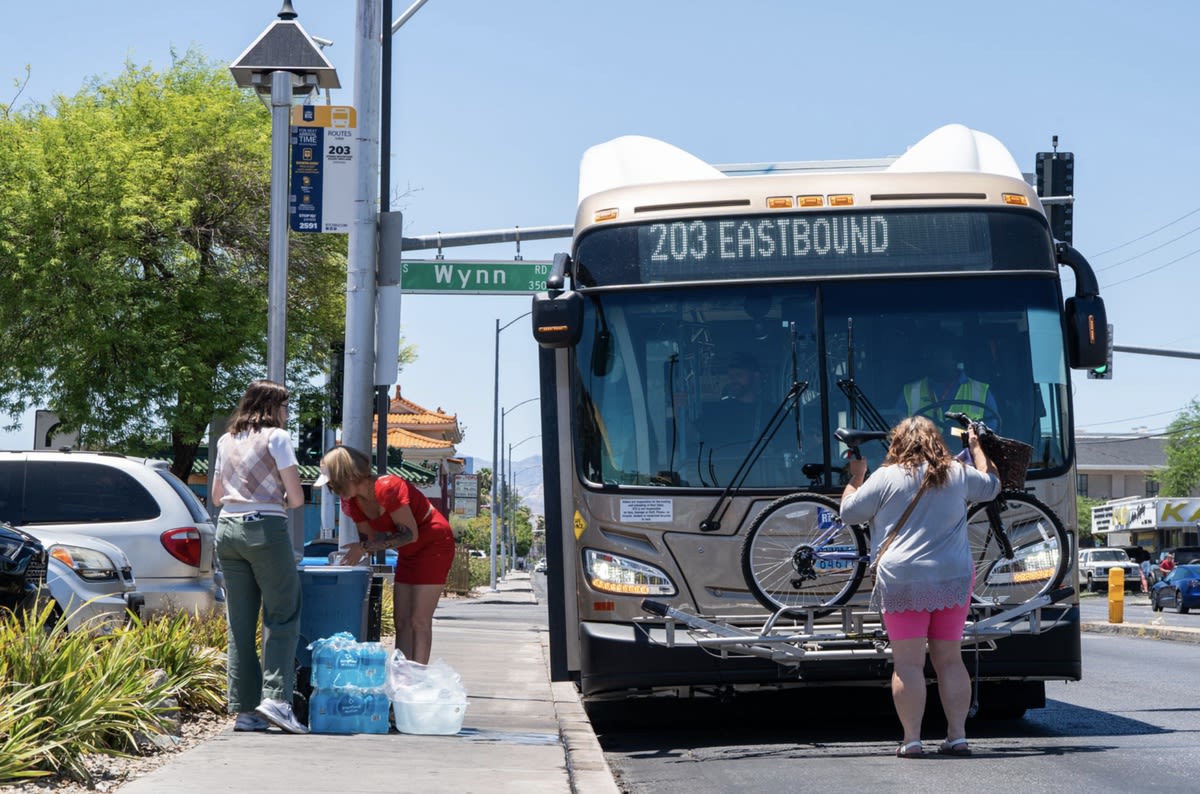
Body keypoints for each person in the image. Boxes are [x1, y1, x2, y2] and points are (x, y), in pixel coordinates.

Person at [839, 415, 1000, 759]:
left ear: (897, 442)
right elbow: (992, 484)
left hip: (903, 579)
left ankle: (912, 739)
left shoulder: (885, 477)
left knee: (908, 664)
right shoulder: (956, 473)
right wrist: (976, 447)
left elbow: (849, 513)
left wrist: (856, 478)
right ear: (936, 440)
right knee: (950, 661)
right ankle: (957, 736)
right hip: (953, 577)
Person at [210, 379, 308, 734]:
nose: (287, 413)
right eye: (284, 406)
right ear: (272, 407)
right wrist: (275, 497)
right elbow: (296, 498)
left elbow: (217, 495)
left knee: (240, 622)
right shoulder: (277, 438)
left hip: (227, 531)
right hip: (264, 528)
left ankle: (246, 711)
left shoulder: (226, 440)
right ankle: (277, 700)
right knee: (283, 612)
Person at [316, 445, 456, 665]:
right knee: (401, 620)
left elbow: (410, 533)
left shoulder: (387, 487)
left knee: (419, 619)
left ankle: (417, 676)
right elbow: (368, 541)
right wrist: (356, 555)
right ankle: (402, 672)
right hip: (408, 552)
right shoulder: (352, 503)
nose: (332, 488)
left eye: (333, 482)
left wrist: (364, 548)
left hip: (433, 544)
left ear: (345, 475)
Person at [895, 347, 999, 432]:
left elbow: (992, 434)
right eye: (932, 354)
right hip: (922, 455)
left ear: (955, 357)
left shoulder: (981, 392)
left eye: (941, 355)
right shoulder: (911, 392)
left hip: (969, 456)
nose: (935, 359)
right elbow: (898, 432)